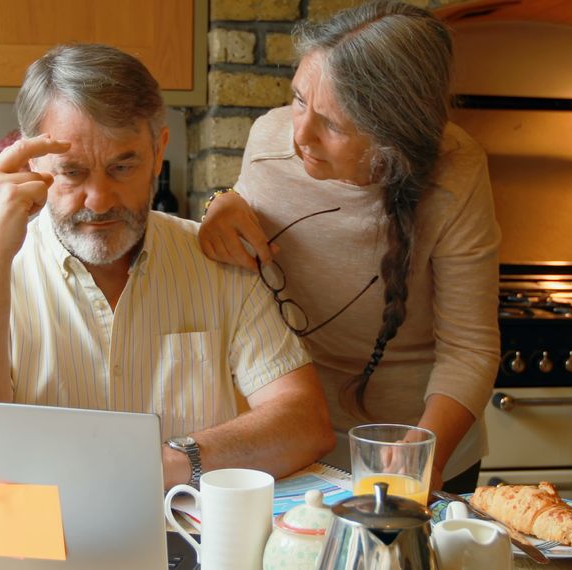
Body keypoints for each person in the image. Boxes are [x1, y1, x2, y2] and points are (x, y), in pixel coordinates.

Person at [0, 43, 335, 489]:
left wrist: (167, 464)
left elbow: (305, 423)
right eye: (72, 172)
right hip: (31, 550)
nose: (99, 200)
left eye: (122, 166)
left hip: (184, 541)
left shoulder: (218, 265)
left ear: (158, 151)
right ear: (30, 160)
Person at [198, 0, 500, 494]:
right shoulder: (269, 139)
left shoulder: (457, 172)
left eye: (333, 125)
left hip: (417, 442)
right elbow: (240, 257)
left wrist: (421, 461)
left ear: (393, 135)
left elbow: (469, 349)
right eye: (298, 100)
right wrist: (220, 203)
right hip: (288, 444)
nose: (300, 136)